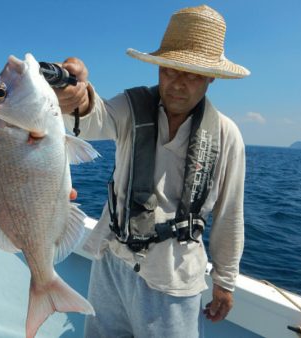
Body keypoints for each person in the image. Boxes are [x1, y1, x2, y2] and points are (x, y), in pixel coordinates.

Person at [54, 5, 249, 338]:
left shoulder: (226, 136)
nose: (177, 83)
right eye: (170, 70)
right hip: (112, 261)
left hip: (173, 278)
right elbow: (93, 117)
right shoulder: (132, 107)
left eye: (193, 74)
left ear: (212, 77)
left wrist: (224, 282)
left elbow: (230, 215)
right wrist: (77, 97)